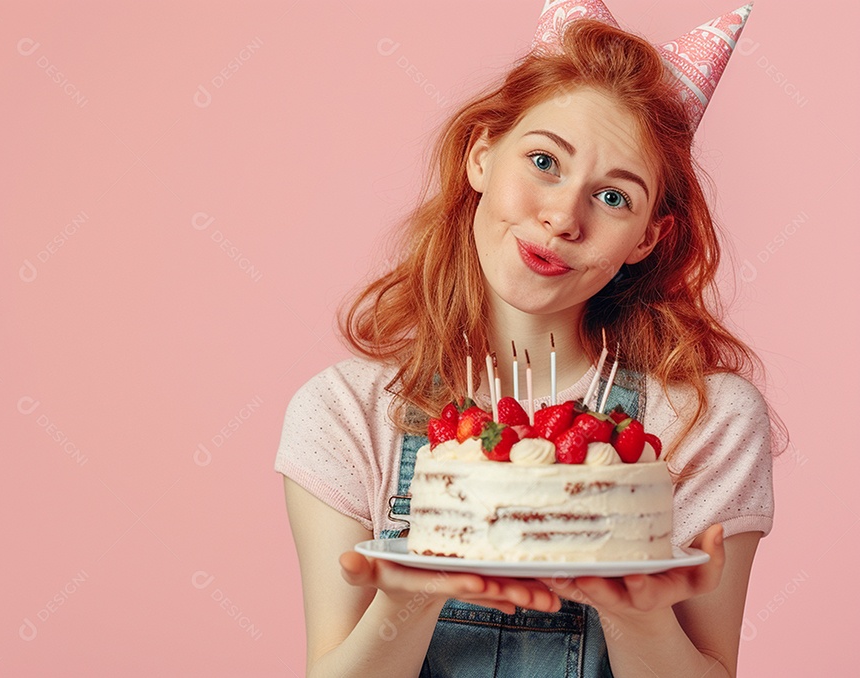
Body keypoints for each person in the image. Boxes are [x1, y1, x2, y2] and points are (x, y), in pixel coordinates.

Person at [275, 3, 781, 676]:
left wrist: (636, 611)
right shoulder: (343, 415)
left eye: (614, 198)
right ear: (482, 155)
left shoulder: (703, 420)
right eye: (544, 160)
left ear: (648, 238)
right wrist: (419, 589)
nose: (563, 216)